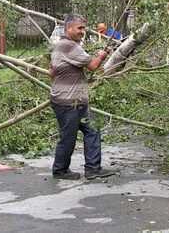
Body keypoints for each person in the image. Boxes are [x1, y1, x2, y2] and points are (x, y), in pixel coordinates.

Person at [47, 14, 118, 180]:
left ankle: (93, 168)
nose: (82, 32)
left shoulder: (60, 46)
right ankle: (60, 171)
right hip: (68, 103)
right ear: (68, 28)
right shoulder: (70, 46)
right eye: (79, 28)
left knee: (92, 130)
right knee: (68, 137)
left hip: (76, 102)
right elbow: (93, 66)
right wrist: (102, 55)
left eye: (83, 28)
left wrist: (71, 76)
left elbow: (51, 72)